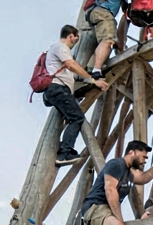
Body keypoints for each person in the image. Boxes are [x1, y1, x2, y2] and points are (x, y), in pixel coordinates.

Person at [42, 25, 110, 166]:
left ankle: (64, 148)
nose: (76, 42)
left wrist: (90, 80)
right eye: (76, 38)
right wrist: (92, 79)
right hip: (58, 89)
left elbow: (71, 73)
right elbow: (71, 65)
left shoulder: (55, 51)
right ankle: (64, 153)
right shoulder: (60, 48)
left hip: (55, 90)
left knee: (71, 117)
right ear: (71, 36)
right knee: (77, 118)